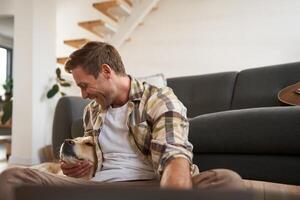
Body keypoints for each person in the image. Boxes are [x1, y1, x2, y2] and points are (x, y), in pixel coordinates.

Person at [0, 42, 247, 200]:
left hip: (149, 187)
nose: (83, 95)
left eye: (85, 86)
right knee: (13, 177)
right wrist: (76, 170)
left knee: (226, 181)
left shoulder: (159, 99)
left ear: (107, 72)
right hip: (97, 188)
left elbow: (174, 156)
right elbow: (94, 160)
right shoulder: (92, 111)